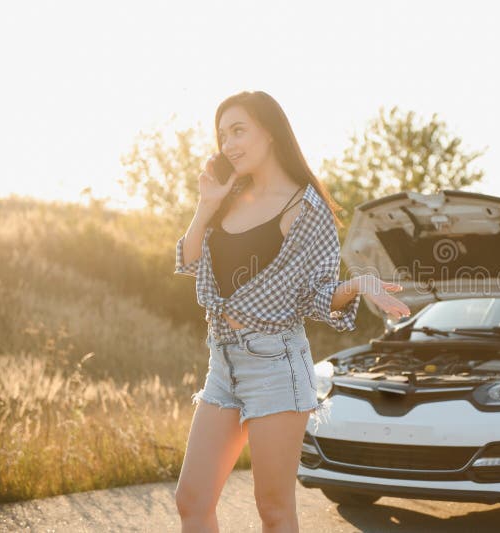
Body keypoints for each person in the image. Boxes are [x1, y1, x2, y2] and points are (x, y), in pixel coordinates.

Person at [172, 90, 410, 532]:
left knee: (274, 508)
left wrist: (356, 284)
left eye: (238, 130)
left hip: (277, 366)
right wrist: (205, 205)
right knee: (192, 499)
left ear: (270, 131)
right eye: (223, 134)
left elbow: (316, 297)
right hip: (223, 364)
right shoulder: (228, 195)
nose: (228, 144)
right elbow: (188, 262)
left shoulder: (308, 209)